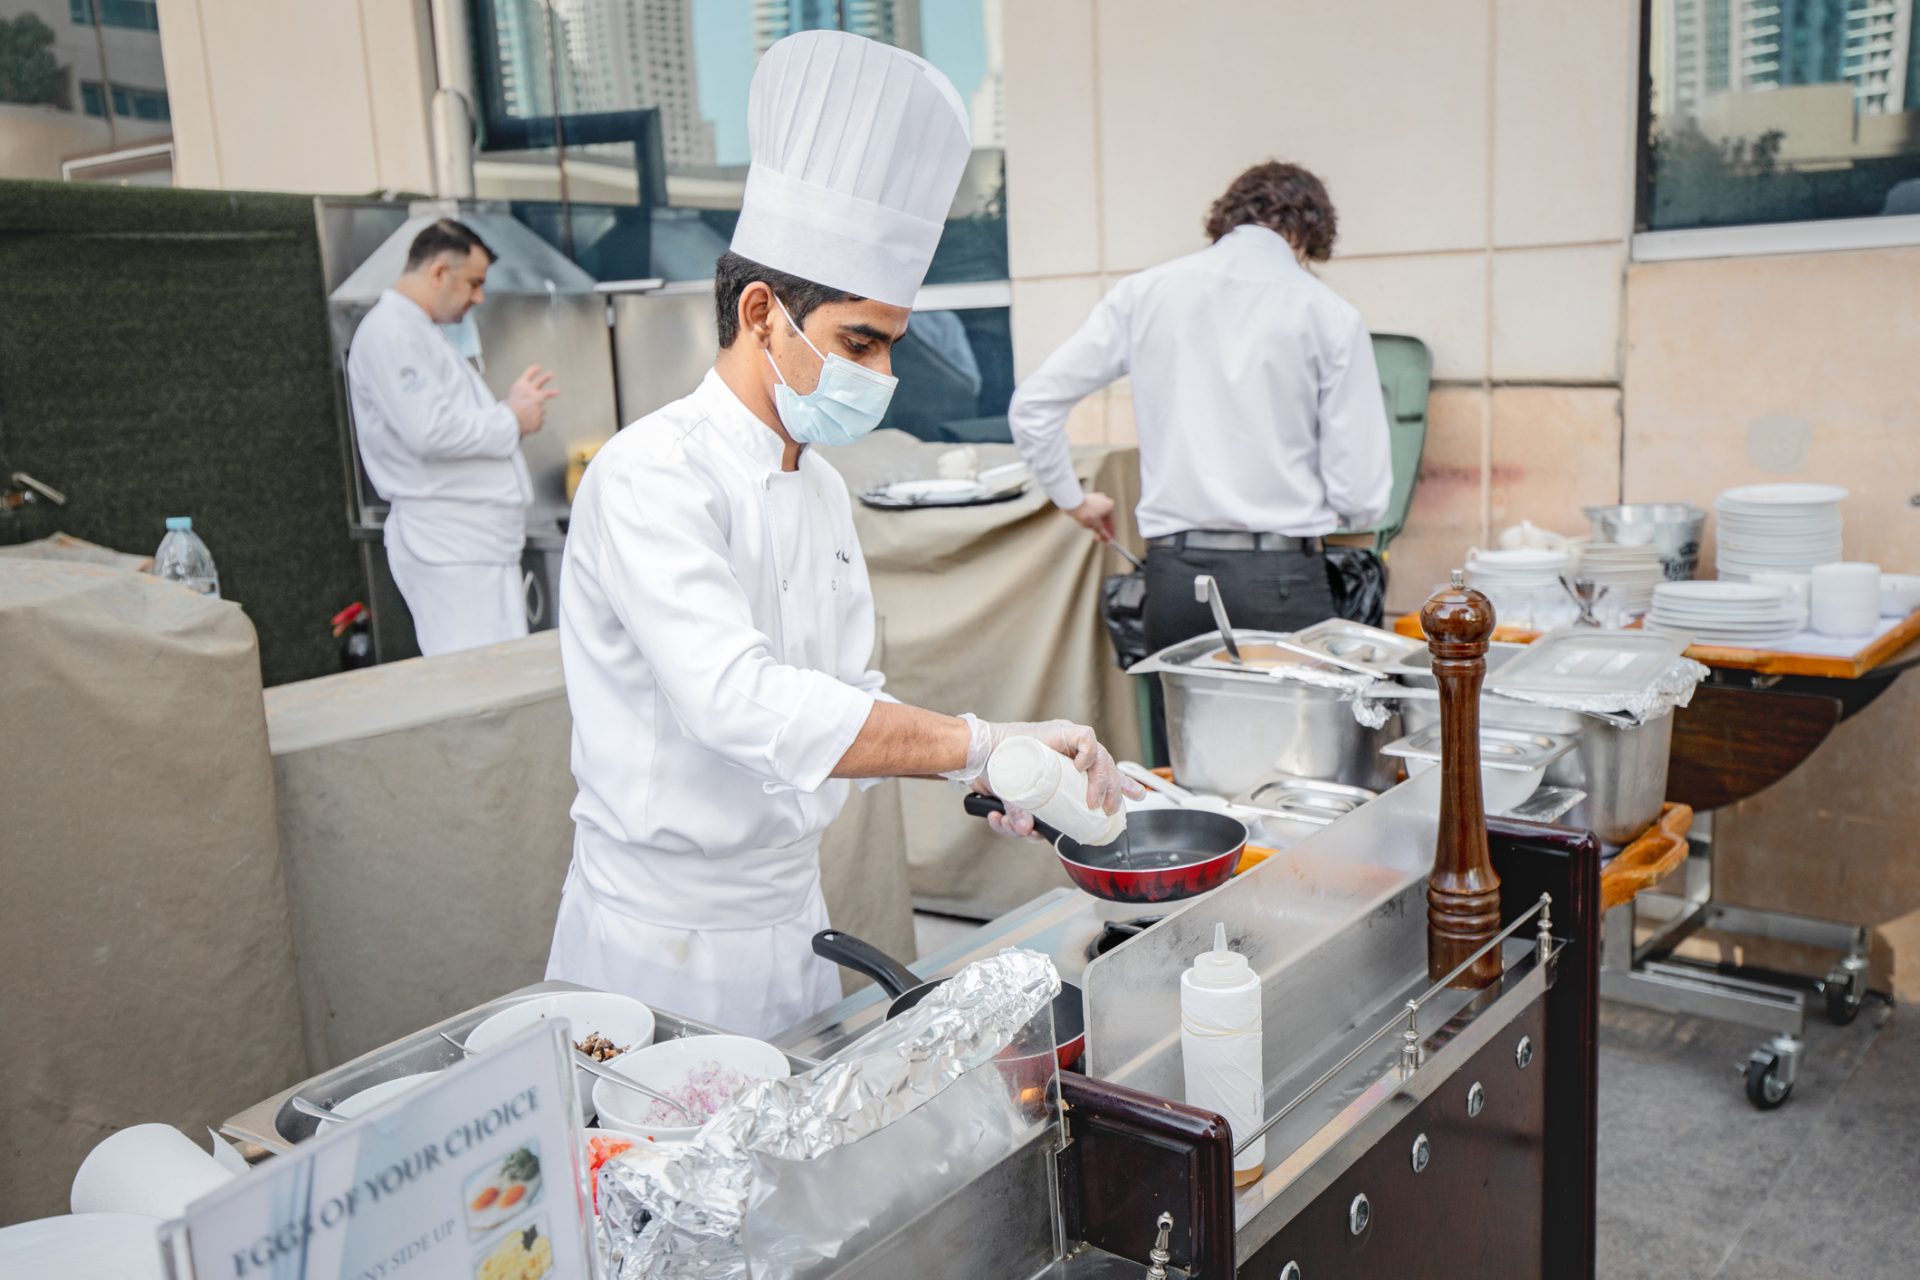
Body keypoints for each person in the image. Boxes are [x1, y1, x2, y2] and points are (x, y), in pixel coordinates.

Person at [545, 31, 1134, 1039]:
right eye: (859, 341)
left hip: (790, 922)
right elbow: (739, 701)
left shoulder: (817, 485)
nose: (881, 372)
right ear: (762, 311)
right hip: (656, 945)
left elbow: (848, 696)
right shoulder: (651, 474)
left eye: (891, 345)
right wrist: (976, 743)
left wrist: (999, 757)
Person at [1006, 161, 1393, 755]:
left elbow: (1033, 404)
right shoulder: (1329, 314)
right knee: (1298, 773)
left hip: (1177, 581)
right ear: (1307, 236)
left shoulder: (1146, 292)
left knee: (1193, 775)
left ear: (1227, 218)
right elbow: (1361, 495)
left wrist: (1075, 499)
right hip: (1284, 579)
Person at [347, 218, 560, 656]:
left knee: (498, 678)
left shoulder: (417, 331)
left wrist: (510, 411)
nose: (478, 298)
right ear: (439, 273)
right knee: (481, 683)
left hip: (470, 545)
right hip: (450, 546)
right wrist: (511, 419)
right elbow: (429, 431)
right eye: (474, 283)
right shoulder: (392, 333)